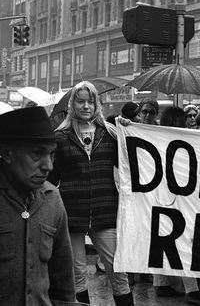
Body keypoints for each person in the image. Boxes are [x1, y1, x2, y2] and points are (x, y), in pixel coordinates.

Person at [48, 81, 134, 305]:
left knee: (118, 271)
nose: (86, 106)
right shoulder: (60, 137)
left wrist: (131, 130)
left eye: (91, 101)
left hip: (106, 213)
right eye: (80, 101)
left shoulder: (111, 134)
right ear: (72, 104)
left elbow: (132, 164)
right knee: (76, 276)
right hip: (71, 215)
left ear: (97, 104)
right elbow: (50, 179)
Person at [0, 107, 76, 305]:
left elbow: (63, 281)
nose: (48, 166)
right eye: (37, 154)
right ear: (7, 154)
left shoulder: (52, 199)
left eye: (51, 155)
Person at [151, 106, 200, 306]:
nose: (191, 121)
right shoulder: (185, 140)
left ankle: (161, 284)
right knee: (187, 242)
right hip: (182, 198)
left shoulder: (156, 138)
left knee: (163, 240)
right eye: (187, 118)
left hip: (160, 197)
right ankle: (193, 291)